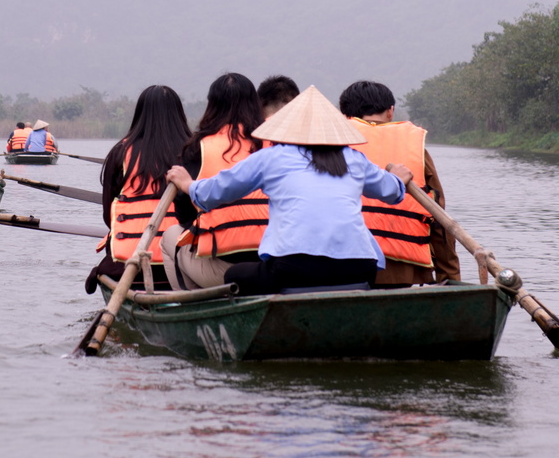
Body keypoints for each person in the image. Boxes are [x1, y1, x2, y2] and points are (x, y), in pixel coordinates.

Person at [165, 86, 411, 295]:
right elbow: (393, 192)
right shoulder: (355, 159)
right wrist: (398, 178)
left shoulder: (271, 158)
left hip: (294, 270)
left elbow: (212, 194)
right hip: (360, 269)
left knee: (234, 274)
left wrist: (187, 184)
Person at [339, 80, 461, 285]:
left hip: (342, 267)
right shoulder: (415, 151)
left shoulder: (331, 148)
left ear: (344, 116)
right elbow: (438, 218)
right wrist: (449, 277)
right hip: (406, 271)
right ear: (390, 111)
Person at [161, 73, 268, 289]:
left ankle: (192, 306)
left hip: (224, 269)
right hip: (273, 264)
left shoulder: (199, 145)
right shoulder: (275, 142)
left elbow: (184, 214)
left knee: (171, 236)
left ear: (212, 106)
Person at [88, 85, 194, 291]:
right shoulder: (194, 152)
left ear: (140, 115)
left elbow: (108, 215)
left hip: (129, 266)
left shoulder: (120, 153)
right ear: (179, 115)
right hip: (184, 264)